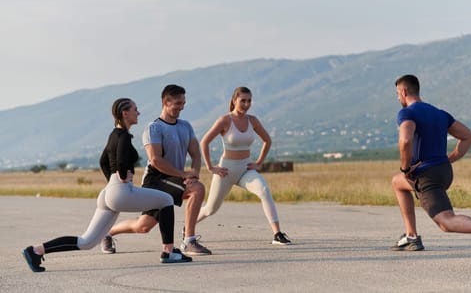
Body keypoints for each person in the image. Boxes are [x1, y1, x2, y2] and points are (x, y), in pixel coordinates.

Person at [22, 98, 191, 272]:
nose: (138, 112)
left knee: (87, 242)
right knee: (166, 199)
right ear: (125, 113)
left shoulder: (113, 134)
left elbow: (103, 161)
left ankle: (36, 251)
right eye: (135, 109)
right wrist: (124, 175)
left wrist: (113, 181)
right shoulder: (124, 136)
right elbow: (120, 160)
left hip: (109, 192)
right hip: (120, 191)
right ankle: (169, 252)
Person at [390, 74, 471, 257]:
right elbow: (469, 137)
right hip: (444, 171)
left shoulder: (407, 113)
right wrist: (449, 159)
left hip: (426, 175)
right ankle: (411, 236)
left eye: (397, 94)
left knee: (446, 222)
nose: (398, 98)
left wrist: (405, 169)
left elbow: (405, 140)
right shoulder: (440, 113)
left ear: (404, 92)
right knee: (398, 182)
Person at [101, 85, 211, 256]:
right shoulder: (154, 128)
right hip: (156, 179)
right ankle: (189, 241)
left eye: (183, 103)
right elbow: (156, 160)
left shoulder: (186, 126)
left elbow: (196, 154)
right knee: (197, 189)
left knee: (143, 226)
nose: (182, 107)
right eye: (177, 103)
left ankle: (107, 233)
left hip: (175, 178)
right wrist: (184, 175)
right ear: (166, 102)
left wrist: (194, 173)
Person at [197, 86, 291, 245]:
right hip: (225, 171)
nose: (247, 104)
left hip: (246, 169)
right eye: (243, 101)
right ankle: (189, 226)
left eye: (249, 101)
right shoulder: (224, 120)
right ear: (234, 101)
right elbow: (204, 142)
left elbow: (267, 140)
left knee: (264, 190)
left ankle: (277, 234)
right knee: (211, 209)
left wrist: (259, 163)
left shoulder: (252, 121)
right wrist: (211, 167)